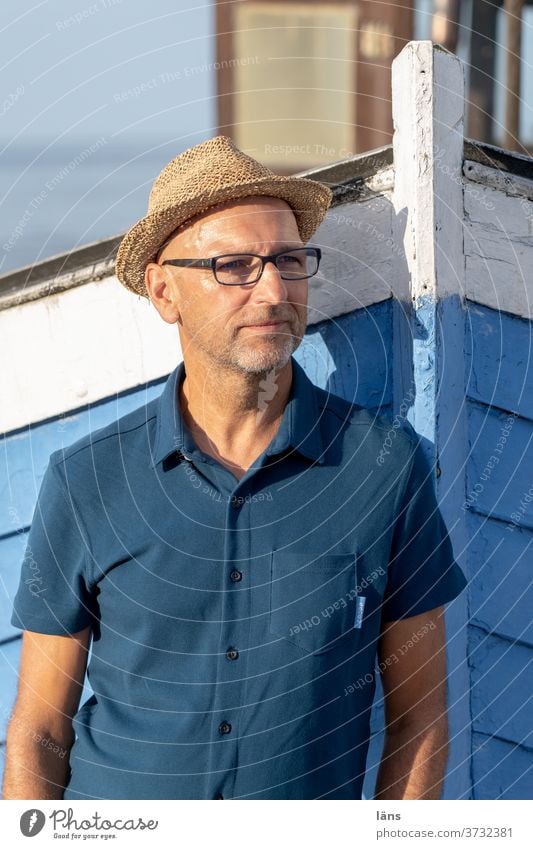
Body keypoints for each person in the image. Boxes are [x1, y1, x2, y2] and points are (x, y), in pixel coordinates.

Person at [3, 135, 467, 801]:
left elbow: (419, 719)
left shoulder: (384, 469)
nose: (274, 289)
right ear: (165, 291)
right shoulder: (87, 479)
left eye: (287, 260)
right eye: (235, 266)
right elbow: (40, 730)